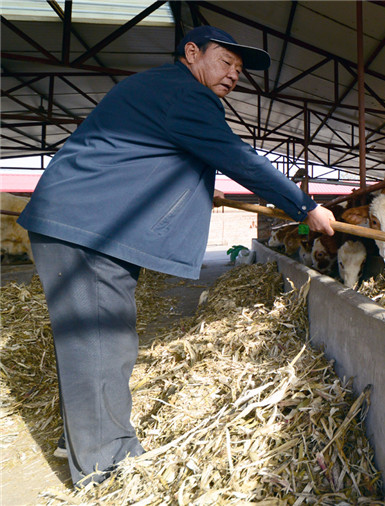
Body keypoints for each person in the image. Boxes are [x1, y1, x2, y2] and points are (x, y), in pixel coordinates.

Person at [17, 25, 335, 487]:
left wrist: (206, 188)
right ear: (192, 53)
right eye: (226, 62)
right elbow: (238, 157)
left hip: (83, 224)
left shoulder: (160, 90)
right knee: (103, 341)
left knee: (92, 342)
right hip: (87, 228)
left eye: (240, 70)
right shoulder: (186, 95)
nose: (233, 76)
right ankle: (108, 468)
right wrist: (306, 206)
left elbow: (159, 159)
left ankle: (82, 441)